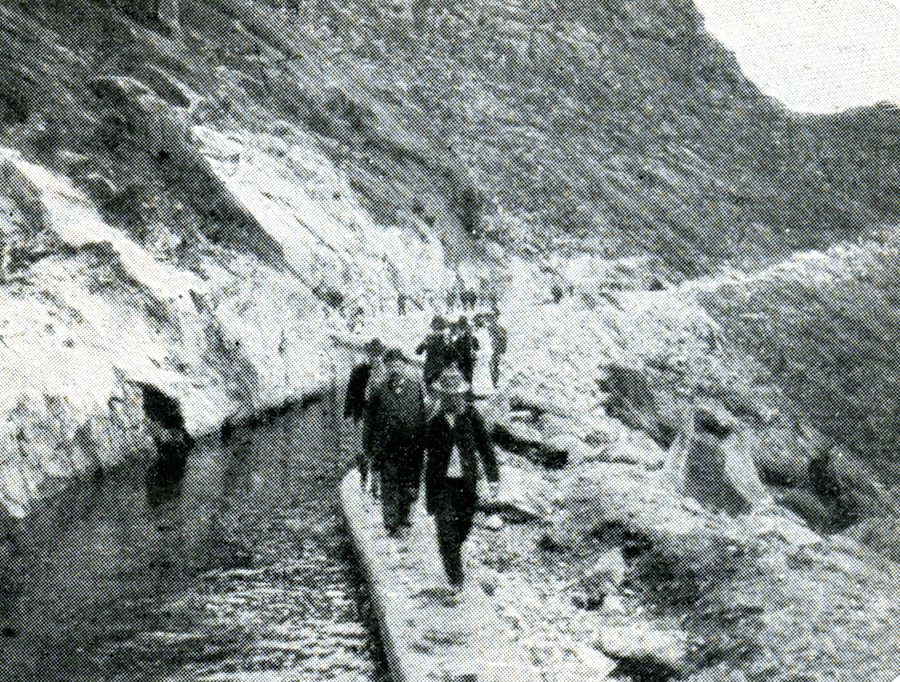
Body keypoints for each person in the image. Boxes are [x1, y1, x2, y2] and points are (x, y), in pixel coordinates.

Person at [424, 365, 499, 587]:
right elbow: (419, 449)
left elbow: (486, 447)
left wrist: (493, 478)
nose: (452, 399)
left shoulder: (471, 415)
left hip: (466, 484)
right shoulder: (435, 421)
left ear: (462, 395)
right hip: (442, 485)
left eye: (456, 395)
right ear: (441, 396)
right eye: (447, 396)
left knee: (463, 529)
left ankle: (453, 560)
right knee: (446, 533)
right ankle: (456, 579)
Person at [368, 348, 427, 535]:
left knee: (409, 484)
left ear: (405, 366)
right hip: (388, 447)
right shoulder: (379, 390)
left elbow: (422, 416)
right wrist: (369, 448)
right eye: (391, 366)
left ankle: (405, 515)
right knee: (389, 483)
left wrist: (424, 442)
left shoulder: (416, 387)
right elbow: (370, 422)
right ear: (386, 368)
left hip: (411, 446)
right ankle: (391, 523)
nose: (395, 369)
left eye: (398, 365)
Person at [344, 338, 386, 492]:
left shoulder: (384, 372)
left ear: (380, 355)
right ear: (367, 354)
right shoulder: (358, 371)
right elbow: (351, 393)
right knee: (361, 448)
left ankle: (375, 484)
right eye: (372, 354)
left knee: (376, 448)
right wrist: (348, 415)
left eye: (377, 354)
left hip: (377, 416)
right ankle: (363, 477)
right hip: (361, 414)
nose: (374, 357)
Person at [416, 316, 451, 388]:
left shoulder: (430, 338)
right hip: (439, 367)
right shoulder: (446, 339)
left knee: (430, 388)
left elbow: (418, 351)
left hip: (433, 367)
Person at [470, 314, 494, 397]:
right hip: (486, 353)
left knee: (479, 371)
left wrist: (475, 352)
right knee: (484, 371)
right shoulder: (485, 332)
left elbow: (477, 345)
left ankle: (479, 391)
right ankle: (485, 390)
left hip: (481, 354)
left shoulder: (478, 333)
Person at [453, 316, 478, 384]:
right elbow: (477, 347)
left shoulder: (460, 337)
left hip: (464, 357)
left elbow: (455, 347)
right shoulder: (471, 337)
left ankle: (467, 386)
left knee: (464, 373)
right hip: (467, 357)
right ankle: (468, 386)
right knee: (467, 374)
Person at [486, 313, 507, 388]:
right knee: (491, 366)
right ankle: (491, 382)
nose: (492, 321)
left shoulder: (500, 329)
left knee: (494, 366)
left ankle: (494, 383)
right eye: (490, 319)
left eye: (493, 318)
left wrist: (502, 349)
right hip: (487, 350)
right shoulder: (486, 329)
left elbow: (503, 339)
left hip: (495, 350)